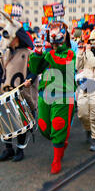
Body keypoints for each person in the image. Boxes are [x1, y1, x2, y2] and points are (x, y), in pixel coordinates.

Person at [28, 21, 76, 174]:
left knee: (58, 124)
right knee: (43, 126)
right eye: (52, 32)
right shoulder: (48, 51)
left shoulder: (69, 52)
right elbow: (34, 69)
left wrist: (49, 52)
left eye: (58, 32)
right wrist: (37, 54)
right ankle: (60, 142)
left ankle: (56, 159)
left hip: (63, 94)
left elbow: (62, 65)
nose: (54, 35)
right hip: (44, 94)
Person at [0, 14, 39, 162]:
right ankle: (8, 149)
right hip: (5, 92)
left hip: (21, 92)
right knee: (5, 121)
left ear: (17, 38)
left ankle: (20, 150)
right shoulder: (5, 53)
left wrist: (29, 79)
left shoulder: (28, 53)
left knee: (20, 122)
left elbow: (34, 69)